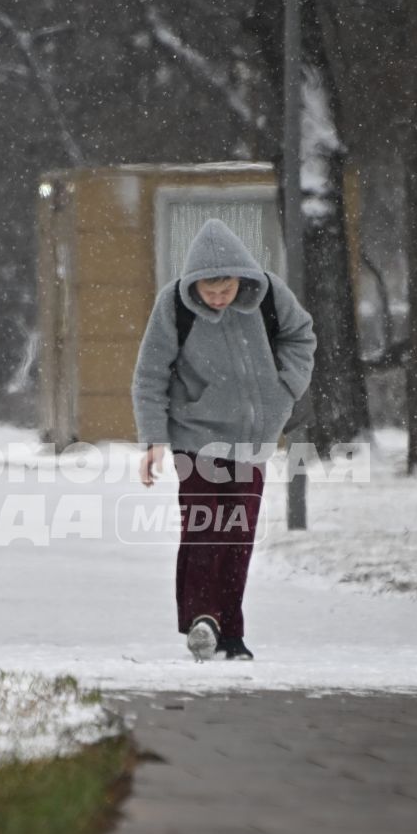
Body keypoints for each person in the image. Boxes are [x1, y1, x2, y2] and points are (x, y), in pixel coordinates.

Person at [131, 218, 317, 662]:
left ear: (241, 279)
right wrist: (154, 438)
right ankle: (203, 618)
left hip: (253, 440)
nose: (217, 298)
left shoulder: (269, 294)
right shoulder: (173, 306)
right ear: (194, 285)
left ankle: (230, 632)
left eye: (225, 290)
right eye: (209, 293)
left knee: (238, 534)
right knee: (204, 527)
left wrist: (284, 389)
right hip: (195, 437)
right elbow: (150, 375)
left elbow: (301, 336)